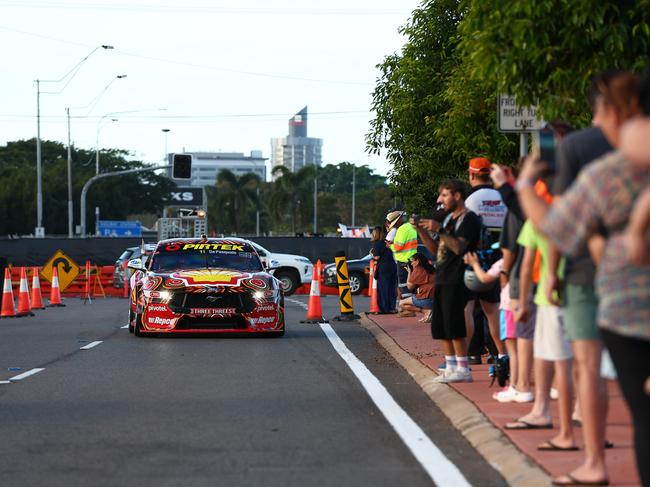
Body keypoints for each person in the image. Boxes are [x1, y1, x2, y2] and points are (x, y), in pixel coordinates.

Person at [517, 70, 650, 487]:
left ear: (610, 109)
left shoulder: (592, 156)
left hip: (612, 289)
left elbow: (560, 224)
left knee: (589, 369)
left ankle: (593, 461)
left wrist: (523, 185)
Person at [504, 214, 576, 454]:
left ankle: (561, 426)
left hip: (550, 294)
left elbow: (526, 265)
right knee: (582, 363)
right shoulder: (588, 205)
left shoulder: (542, 216)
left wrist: (523, 302)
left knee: (557, 360)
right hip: (581, 289)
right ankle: (578, 414)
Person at [419, 179, 482, 383]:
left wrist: (439, 230)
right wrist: (422, 231)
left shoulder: (469, 219)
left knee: (455, 324)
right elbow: (437, 250)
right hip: (443, 276)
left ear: (457, 196)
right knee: (441, 325)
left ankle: (463, 367)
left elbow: (459, 247)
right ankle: (451, 365)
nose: (441, 200)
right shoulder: (448, 220)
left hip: (458, 276)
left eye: (445, 195)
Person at [464, 157, 507, 365]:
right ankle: (498, 354)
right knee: (494, 309)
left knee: (469, 309)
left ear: (471, 174)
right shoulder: (502, 196)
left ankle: (471, 353)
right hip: (500, 260)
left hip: (474, 259)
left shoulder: (470, 200)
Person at [386, 210, 418, 307]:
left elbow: (398, 247)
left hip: (403, 261)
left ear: (398, 220)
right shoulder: (410, 227)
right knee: (410, 285)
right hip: (411, 259)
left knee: (404, 286)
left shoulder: (402, 229)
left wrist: (390, 245)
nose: (394, 226)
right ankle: (410, 307)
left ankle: (408, 309)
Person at [398, 252, 435, 322]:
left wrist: (409, 272)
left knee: (402, 303)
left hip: (427, 299)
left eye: (412, 261)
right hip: (436, 299)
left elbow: (409, 287)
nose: (411, 263)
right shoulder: (431, 268)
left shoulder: (418, 270)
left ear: (417, 261)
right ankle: (428, 313)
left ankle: (426, 311)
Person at [370, 226, 398, 314]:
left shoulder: (376, 243)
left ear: (375, 234)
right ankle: (391, 307)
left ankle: (384, 308)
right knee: (391, 288)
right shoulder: (386, 243)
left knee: (383, 288)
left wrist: (371, 254)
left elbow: (377, 257)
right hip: (392, 266)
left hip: (383, 267)